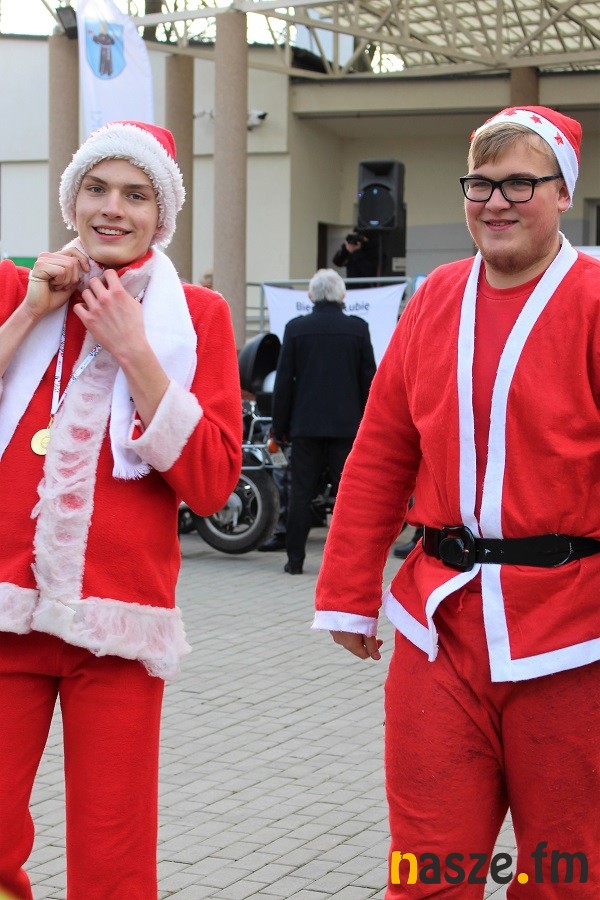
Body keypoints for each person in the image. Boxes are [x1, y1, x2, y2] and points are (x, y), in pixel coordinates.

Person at [313, 106, 600, 897]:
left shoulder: (593, 300)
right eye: (482, 184)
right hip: (439, 627)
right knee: (429, 871)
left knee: (567, 874)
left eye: (521, 184)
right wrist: (347, 593)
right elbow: (381, 451)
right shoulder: (436, 296)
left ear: (563, 194)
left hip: (575, 636)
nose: (497, 202)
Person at [0, 121, 242, 899]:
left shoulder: (197, 316)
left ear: (160, 216)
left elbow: (213, 484)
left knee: (113, 856)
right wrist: (29, 312)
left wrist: (135, 350)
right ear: (71, 200)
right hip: (5, 613)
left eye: (136, 195)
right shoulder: (16, 286)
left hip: (120, 623)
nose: (113, 208)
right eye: (96, 189)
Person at [272, 268, 376, 574]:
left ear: (310, 296)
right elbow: (369, 382)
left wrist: (280, 427)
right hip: (347, 428)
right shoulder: (358, 329)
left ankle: (294, 561)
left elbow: (284, 383)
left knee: (300, 494)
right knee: (348, 497)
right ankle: (349, 565)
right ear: (343, 295)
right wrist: (370, 425)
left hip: (305, 427)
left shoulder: (295, 329)